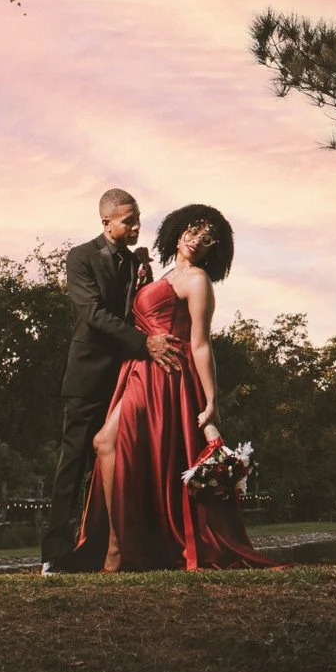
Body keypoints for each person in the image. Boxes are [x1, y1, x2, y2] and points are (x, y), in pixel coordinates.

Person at [73, 203, 280, 571]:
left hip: (168, 374)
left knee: (107, 442)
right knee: (111, 446)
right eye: (194, 229)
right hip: (140, 370)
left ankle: (118, 551)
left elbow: (200, 343)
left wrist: (211, 401)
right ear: (179, 229)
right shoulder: (162, 273)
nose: (197, 239)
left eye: (208, 238)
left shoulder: (199, 280)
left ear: (213, 250)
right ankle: (120, 546)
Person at [41, 188, 180, 573]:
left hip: (127, 378)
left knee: (122, 463)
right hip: (88, 376)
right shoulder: (80, 257)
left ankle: (107, 548)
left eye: (138, 219)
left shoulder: (140, 263)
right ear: (106, 222)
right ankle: (54, 555)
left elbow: (140, 311)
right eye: (127, 221)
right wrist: (144, 344)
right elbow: (93, 314)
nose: (136, 227)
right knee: (73, 463)